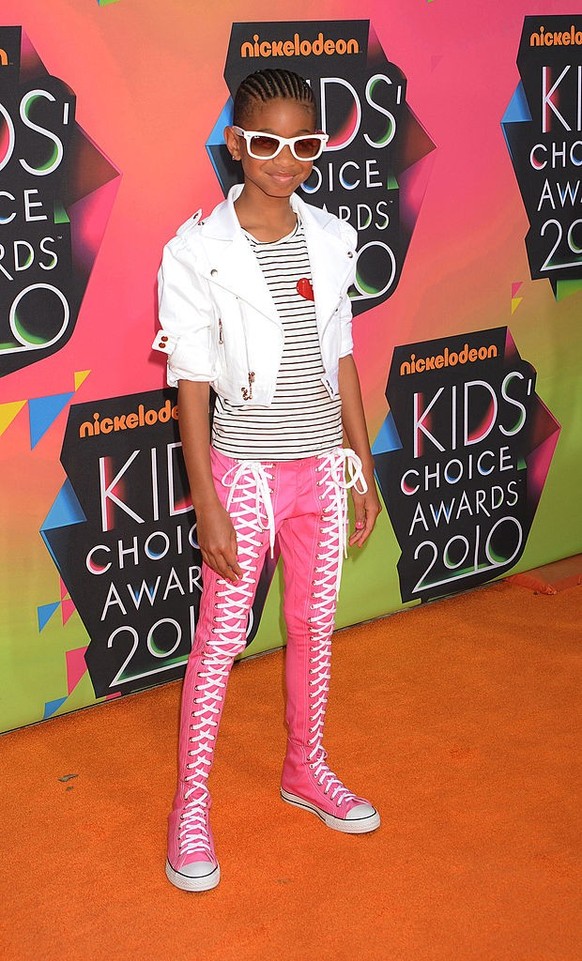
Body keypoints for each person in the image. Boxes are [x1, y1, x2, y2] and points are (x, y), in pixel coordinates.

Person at [153, 68, 382, 893]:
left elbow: (343, 355)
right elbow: (192, 386)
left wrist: (362, 464)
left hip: (321, 464)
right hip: (244, 473)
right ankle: (190, 808)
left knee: (314, 628)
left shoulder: (331, 235)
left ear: (318, 148)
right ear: (237, 144)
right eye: (267, 142)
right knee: (220, 642)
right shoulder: (197, 251)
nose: (285, 160)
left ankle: (304, 769)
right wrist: (207, 500)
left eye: (305, 143)